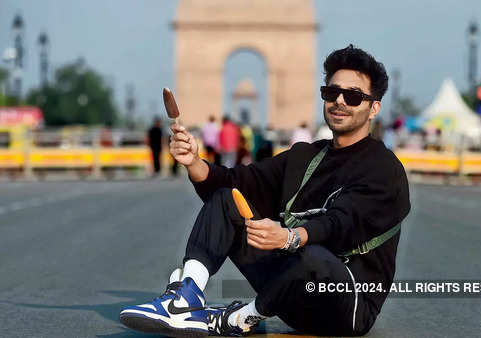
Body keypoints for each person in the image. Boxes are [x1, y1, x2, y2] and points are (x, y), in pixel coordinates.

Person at [120, 44, 411, 337]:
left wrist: (288, 237)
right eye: (330, 93)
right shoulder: (304, 157)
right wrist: (193, 162)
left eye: (352, 95)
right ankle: (185, 297)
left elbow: (342, 223)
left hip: (345, 304)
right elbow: (237, 182)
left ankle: (240, 319)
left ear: (374, 107)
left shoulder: (385, 170)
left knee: (313, 256)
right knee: (227, 198)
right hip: (288, 294)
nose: (339, 101)